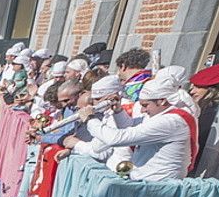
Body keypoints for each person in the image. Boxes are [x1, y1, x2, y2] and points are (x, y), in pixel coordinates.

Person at [69, 72, 197, 181]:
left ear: (162, 101)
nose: (142, 110)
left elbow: (116, 139)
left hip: (156, 185)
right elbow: (130, 127)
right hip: (143, 181)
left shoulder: (170, 122)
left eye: (145, 105)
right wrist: (118, 111)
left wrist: (90, 119)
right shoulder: (160, 115)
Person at [189, 61, 219, 161]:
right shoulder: (203, 107)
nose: (192, 91)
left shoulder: (211, 112)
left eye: (198, 87)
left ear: (213, 90)